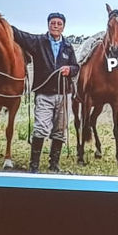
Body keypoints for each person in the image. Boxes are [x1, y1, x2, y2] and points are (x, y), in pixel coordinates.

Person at [11, 12, 80, 173]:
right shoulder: (38, 42)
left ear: (63, 26)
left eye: (59, 23)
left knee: (60, 130)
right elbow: (20, 35)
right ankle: (34, 165)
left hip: (64, 94)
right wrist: (3, 24)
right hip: (44, 93)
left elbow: (76, 67)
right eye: (53, 23)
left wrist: (69, 69)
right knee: (41, 128)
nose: (56, 26)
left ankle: (54, 164)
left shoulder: (68, 47)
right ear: (48, 24)